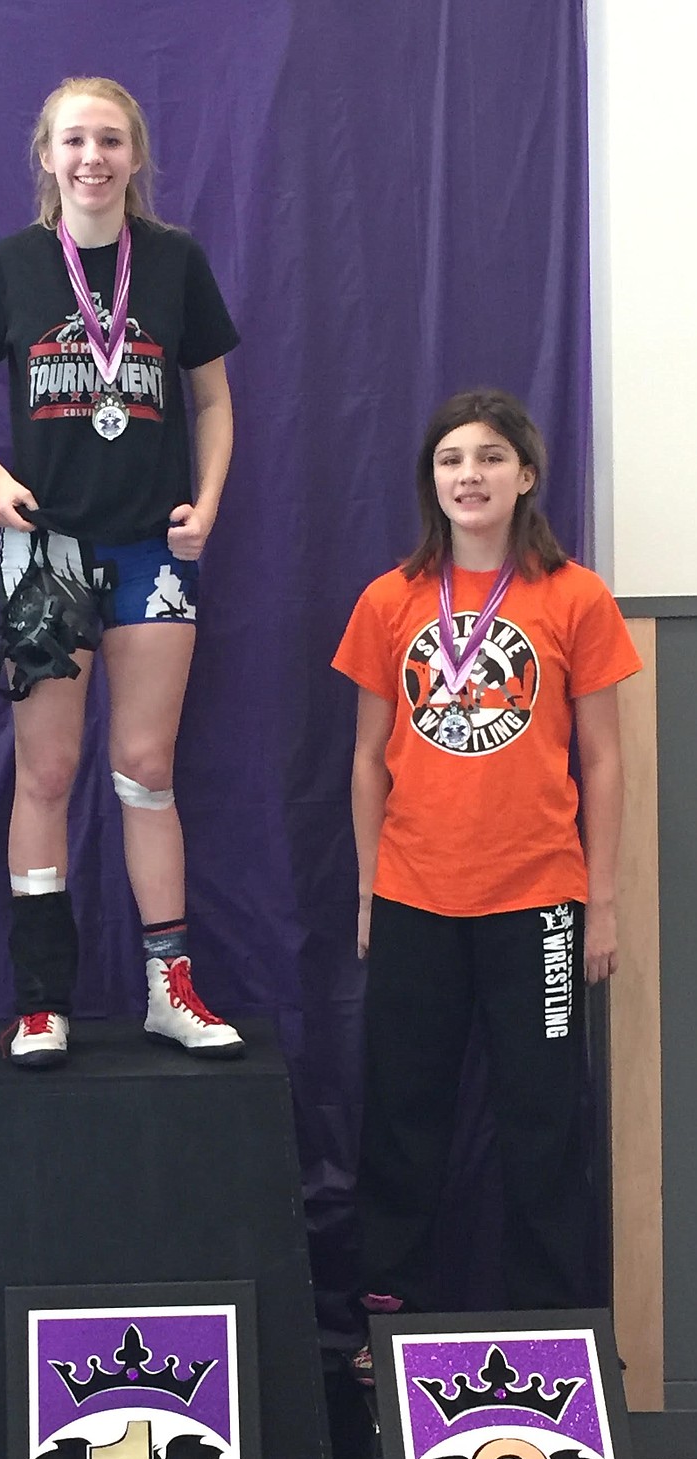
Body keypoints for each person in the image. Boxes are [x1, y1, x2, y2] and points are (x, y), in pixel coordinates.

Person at [0, 75, 243, 1067]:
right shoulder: (14, 266)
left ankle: (169, 987)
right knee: (50, 771)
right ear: (48, 156)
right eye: (75, 140)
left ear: (136, 156)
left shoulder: (176, 265)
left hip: (152, 544)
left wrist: (211, 498)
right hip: (46, 550)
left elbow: (216, 403)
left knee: (147, 770)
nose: (93, 157)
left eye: (110, 139)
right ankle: (40, 1000)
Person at [332, 389, 640, 1381]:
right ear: (432, 481)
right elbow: (367, 757)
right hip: (418, 893)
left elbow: (605, 760)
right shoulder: (392, 600)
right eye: (451, 459)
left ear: (527, 476)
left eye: (491, 457)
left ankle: (556, 1325)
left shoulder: (574, 598)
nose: (470, 475)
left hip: (540, 899)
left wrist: (604, 901)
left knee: (547, 1121)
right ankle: (388, 1314)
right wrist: (373, 888)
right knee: (401, 1114)